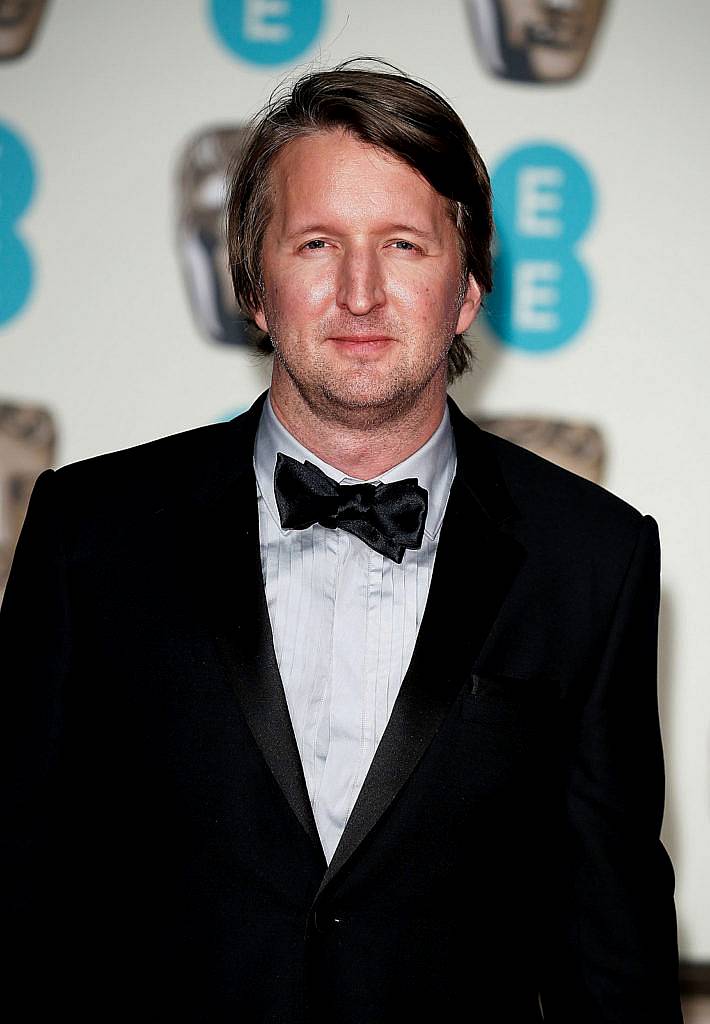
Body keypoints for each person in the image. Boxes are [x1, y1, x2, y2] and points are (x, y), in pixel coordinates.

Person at [1, 63, 682, 1023]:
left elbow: (611, 948)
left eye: (403, 245)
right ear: (254, 285)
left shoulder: (592, 561)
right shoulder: (90, 533)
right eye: (318, 242)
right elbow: (17, 891)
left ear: (469, 287)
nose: (360, 293)